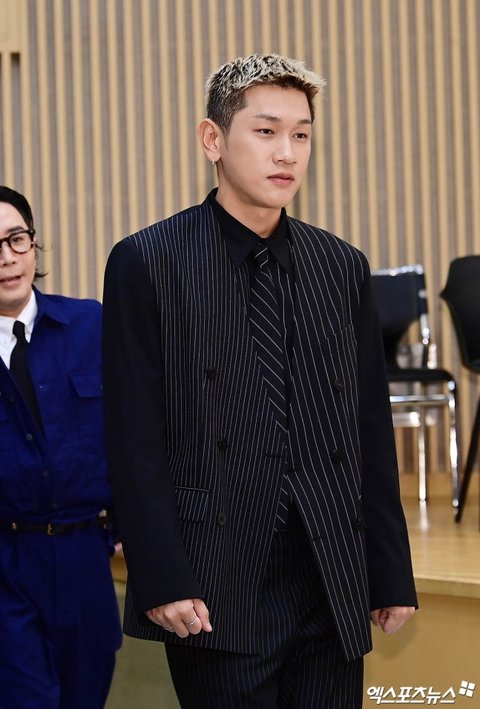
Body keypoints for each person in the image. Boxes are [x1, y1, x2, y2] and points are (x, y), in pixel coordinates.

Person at [102, 54, 417, 708]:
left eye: (301, 134)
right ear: (212, 139)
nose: (287, 153)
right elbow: (134, 437)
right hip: (215, 577)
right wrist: (161, 574)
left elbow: (367, 424)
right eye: (266, 131)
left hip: (328, 574)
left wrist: (388, 570)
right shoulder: (148, 262)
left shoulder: (340, 265)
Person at [0, 186, 122, 709]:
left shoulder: (90, 325)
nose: (6, 258)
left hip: (85, 554)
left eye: (16, 239)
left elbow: (133, 432)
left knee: (83, 695)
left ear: (33, 243)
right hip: (6, 561)